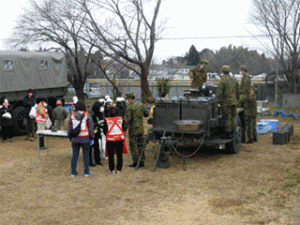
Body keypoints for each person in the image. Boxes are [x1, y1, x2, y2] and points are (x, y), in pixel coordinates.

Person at [67, 100, 94, 177]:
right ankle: (86, 172)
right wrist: (91, 137)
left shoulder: (72, 115)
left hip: (75, 139)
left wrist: (69, 137)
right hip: (85, 138)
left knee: (75, 155)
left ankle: (73, 172)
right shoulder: (87, 115)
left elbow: (69, 128)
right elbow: (91, 128)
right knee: (86, 156)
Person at [124, 92, 149, 168]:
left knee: (133, 146)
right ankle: (142, 160)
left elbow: (127, 119)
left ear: (130, 99)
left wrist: (124, 128)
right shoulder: (140, 104)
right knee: (141, 145)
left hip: (133, 130)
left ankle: (136, 162)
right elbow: (146, 114)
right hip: (140, 128)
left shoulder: (129, 107)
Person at [216, 65, 239, 139]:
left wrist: (218, 101)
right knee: (233, 117)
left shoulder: (223, 81)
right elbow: (238, 91)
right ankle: (234, 131)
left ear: (223, 72)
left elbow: (219, 93)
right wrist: (237, 99)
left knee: (227, 118)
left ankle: (228, 133)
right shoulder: (234, 80)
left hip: (226, 103)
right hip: (234, 102)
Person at [103, 106, 127, 174]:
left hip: (110, 139)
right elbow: (124, 127)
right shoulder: (121, 119)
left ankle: (112, 169)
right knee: (119, 154)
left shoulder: (107, 120)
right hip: (119, 139)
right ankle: (119, 169)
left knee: (111, 155)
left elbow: (105, 130)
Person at [89, 101, 106, 166]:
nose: (102, 108)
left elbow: (101, 118)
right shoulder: (91, 114)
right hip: (90, 133)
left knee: (97, 147)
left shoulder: (99, 113)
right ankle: (90, 162)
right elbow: (90, 124)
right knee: (90, 148)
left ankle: (97, 161)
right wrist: (99, 122)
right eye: (101, 106)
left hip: (96, 132)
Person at [239, 65, 252, 143]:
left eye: (241, 70)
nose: (241, 72)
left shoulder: (246, 77)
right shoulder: (244, 77)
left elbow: (245, 88)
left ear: (243, 70)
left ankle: (245, 116)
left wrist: (240, 92)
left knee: (238, 101)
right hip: (243, 94)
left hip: (245, 94)